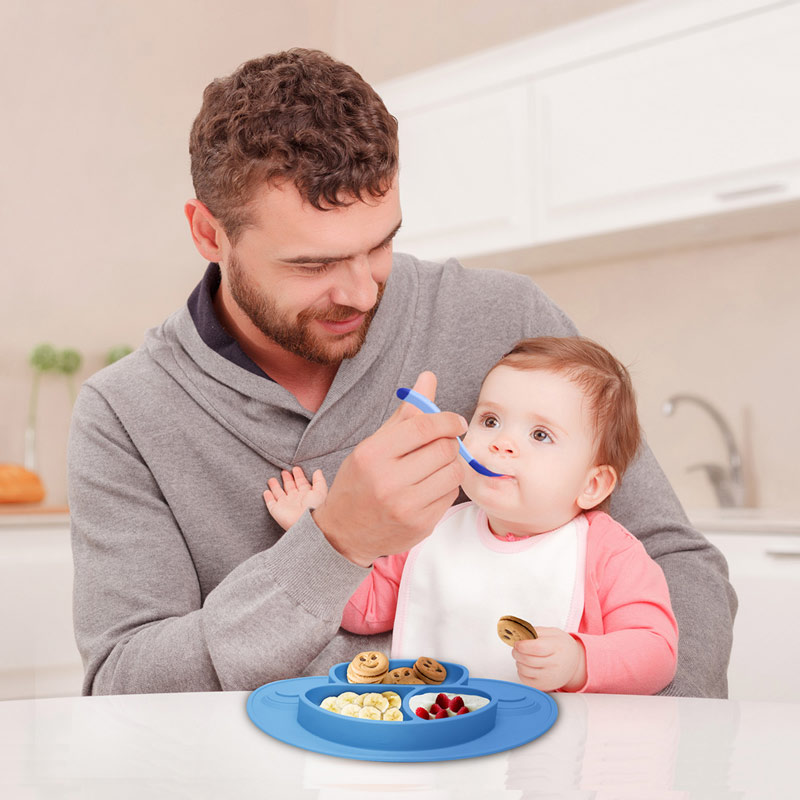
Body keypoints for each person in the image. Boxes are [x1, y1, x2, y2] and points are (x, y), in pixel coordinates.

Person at [68, 48, 735, 697]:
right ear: (209, 234)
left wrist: (643, 761)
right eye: (312, 264)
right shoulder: (125, 413)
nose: (361, 292)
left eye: (381, 243)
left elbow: (676, 565)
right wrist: (334, 542)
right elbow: (127, 682)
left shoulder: (507, 319)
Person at [265, 337, 679, 694]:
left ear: (592, 485)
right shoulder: (430, 528)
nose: (502, 443)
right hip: (435, 732)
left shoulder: (607, 552)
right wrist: (318, 526)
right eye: (491, 420)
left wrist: (580, 662)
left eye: (540, 435)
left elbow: (657, 651)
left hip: (547, 761)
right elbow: (365, 611)